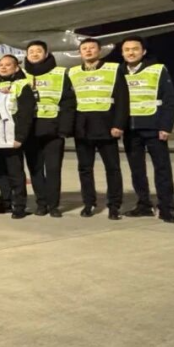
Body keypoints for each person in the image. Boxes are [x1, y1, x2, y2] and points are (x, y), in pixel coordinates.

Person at [119, 36, 174, 223]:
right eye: (127, 49)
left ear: (143, 51)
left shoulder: (157, 69)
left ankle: (167, 207)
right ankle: (144, 204)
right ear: (122, 53)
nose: (131, 52)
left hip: (154, 127)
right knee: (137, 171)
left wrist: (166, 126)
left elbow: (170, 100)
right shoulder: (119, 72)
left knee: (162, 169)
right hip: (130, 129)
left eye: (135, 49)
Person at [69, 38, 127, 220]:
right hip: (82, 128)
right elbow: (70, 101)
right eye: (84, 48)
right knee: (85, 169)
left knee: (113, 168)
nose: (88, 51)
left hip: (106, 126)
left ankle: (114, 205)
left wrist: (119, 124)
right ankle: (89, 203)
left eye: (92, 48)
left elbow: (122, 99)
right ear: (80, 53)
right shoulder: (73, 72)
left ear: (99, 51)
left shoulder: (113, 69)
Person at [22, 41, 75, 217]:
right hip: (30, 131)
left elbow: (68, 103)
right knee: (35, 170)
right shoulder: (21, 75)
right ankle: (41, 204)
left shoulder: (59, 74)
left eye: (38, 51)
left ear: (46, 54)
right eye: (31, 51)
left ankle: (53, 205)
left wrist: (64, 130)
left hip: (53, 131)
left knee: (53, 170)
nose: (34, 54)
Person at [0, 54, 36, 219]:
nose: (3, 67)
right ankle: (5, 201)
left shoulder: (22, 85)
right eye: (1, 65)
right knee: (0, 171)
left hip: (12, 137)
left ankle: (20, 205)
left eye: (7, 65)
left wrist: (20, 137)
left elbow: (26, 114)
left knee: (15, 172)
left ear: (16, 68)